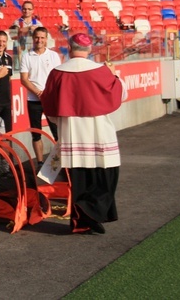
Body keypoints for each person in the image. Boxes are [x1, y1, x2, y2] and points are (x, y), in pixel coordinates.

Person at [41, 33, 127, 234]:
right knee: (106, 176)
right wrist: (115, 75)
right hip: (98, 132)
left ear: (69, 49)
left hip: (72, 132)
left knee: (79, 180)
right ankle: (93, 214)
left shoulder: (58, 72)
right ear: (89, 50)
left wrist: (60, 121)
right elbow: (119, 93)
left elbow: (48, 102)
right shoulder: (101, 71)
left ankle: (83, 221)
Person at [19, 26, 61, 165]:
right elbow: (24, 79)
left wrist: (47, 94)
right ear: (33, 38)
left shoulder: (53, 56)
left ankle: (60, 163)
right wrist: (38, 93)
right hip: (34, 100)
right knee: (36, 133)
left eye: (42, 38)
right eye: (37, 37)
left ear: (46, 39)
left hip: (50, 99)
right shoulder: (26, 56)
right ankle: (40, 163)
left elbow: (57, 77)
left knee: (57, 132)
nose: (39, 40)